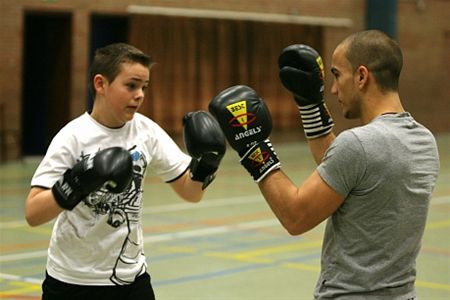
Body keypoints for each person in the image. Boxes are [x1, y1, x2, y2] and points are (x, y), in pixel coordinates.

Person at [208, 30, 440, 299]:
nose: (332, 88)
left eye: (337, 75)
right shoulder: (424, 141)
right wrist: (310, 106)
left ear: (362, 76)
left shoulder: (358, 145)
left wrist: (253, 146)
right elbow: (346, 173)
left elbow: (296, 217)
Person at [25, 43, 226, 300]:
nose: (140, 94)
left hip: (131, 278)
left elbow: (191, 192)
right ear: (101, 84)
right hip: (72, 280)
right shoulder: (72, 137)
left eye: (144, 87)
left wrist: (207, 163)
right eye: (131, 86)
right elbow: (33, 213)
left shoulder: (146, 131)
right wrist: (79, 180)